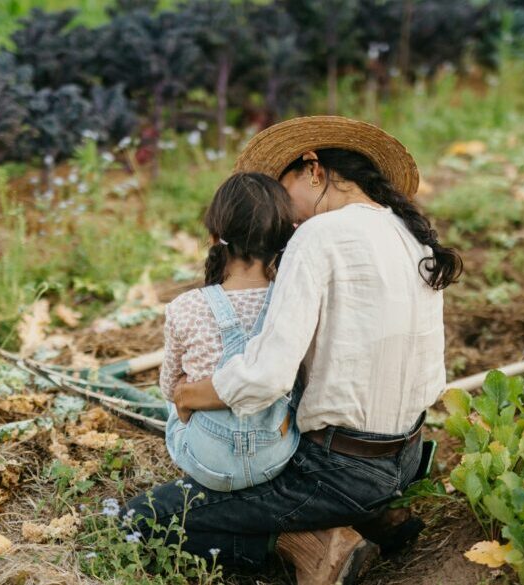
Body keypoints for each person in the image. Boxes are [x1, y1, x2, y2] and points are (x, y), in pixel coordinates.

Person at [123, 116, 462, 585]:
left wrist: (188, 396)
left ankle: (311, 542)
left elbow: (267, 378)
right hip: (404, 457)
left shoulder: (318, 237)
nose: (287, 217)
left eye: (284, 196)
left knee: (141, 519)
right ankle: (371, 513)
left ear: (313, 169)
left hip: (339, 471)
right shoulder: (410, 234)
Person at [160, 172, 301, 492]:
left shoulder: (185, 307)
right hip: (275, 456)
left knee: (174, 397)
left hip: (208, 461)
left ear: (214, 237)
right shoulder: (291, 303)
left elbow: (170, 388)